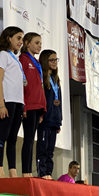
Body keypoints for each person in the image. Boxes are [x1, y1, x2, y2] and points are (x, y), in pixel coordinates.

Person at [0, 26, 25, 178]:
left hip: (18, 102)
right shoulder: (3, 55)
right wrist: (1, 104)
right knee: (2, 136)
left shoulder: (15, 58)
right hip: (8, 101)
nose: (21, 42)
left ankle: (13, 172)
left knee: (13, 138)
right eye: (18, 38)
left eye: (22, 39)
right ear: (8, 38)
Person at [19, 33, 46, 177]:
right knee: (28, 139)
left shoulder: (37, 63)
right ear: (27, 43)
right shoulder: (23, 59)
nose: (39, 46)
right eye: (36, 43)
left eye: (41, 43)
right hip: (28, 105)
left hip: (37, 106)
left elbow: (39, 86)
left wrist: (42, 110)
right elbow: (21, 85)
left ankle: (28, 171)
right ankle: (26, 171)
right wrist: (23, 106)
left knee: (32, 140)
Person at [36, 50, 62, 180]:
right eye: (52, 60)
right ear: (45, 61)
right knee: (43, 147)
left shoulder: (56, 80)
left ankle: (49, 173)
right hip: (45, 119)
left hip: (54, 119)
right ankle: (42, 173)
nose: (54, 62)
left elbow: (60, 101)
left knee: (51, 150)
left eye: (56, 60)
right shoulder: (42, 78)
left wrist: (59, 120)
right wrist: (41, 114)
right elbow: (40, 98)